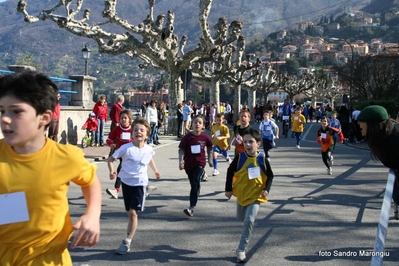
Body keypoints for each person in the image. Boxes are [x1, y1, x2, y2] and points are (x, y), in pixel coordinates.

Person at [0, 71, 101, 265]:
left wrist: (93, 213)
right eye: (2, 111)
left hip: (49, 259)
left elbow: (90, 180)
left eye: (16, 111)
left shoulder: (66, 157)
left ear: (44, 117)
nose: (5, 118)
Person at [107, 117, 161, 255]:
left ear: (147, 135)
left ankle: (127, 241)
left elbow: (150, 159)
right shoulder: (126, 148)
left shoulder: (148, 149)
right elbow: (111, 159)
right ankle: (129, 235)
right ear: (132, 134)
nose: (139, 132)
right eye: (136, 130)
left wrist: (155, 171)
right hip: (126, 183)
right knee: (129, 213)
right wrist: (112, 170)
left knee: (132, 213)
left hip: (140, 184)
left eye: (142, 130)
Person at [225, 129, 274, 263]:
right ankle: (246, 219)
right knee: (241, 218)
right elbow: (230, 172)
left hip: (256, 195)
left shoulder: (262, 158)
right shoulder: (240, 157)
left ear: (258, 144)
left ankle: (241, 249)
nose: (247, 144)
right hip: (242, 193)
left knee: (249, 220)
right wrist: (228, 189)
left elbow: (270, 175)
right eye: (245, 142)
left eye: (251, 142)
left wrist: (266, 189)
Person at [357, 105, 399, 219]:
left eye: (362, 122)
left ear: (372, 124)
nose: (359, 124)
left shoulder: (394, 139)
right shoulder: (384, 137)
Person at [178, 115, 213, 217]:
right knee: (193, 182)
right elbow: (181, 150)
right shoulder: (187, 137)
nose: (197, 124)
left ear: (203, 125)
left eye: (200, 123)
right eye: (195, 122)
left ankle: (191, 207)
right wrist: (181, 162)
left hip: (200, 163)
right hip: (188, 164)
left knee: (195, 183)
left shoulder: (205, 137)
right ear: (191, 124)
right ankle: (202, 176)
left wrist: (210, 160)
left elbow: (210, 147)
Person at [105, 109, 134, 199]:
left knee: (131, 171)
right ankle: (116, 190)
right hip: (122, 154)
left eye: (125, 118)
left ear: (129, 119)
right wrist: (112, 144)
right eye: (122, 118)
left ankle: (142, 188)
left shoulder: (133, 129)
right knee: (122, 170)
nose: (123, 120)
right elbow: (109, 139)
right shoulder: (117, 129)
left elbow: (140, 137)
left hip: (132, 153)